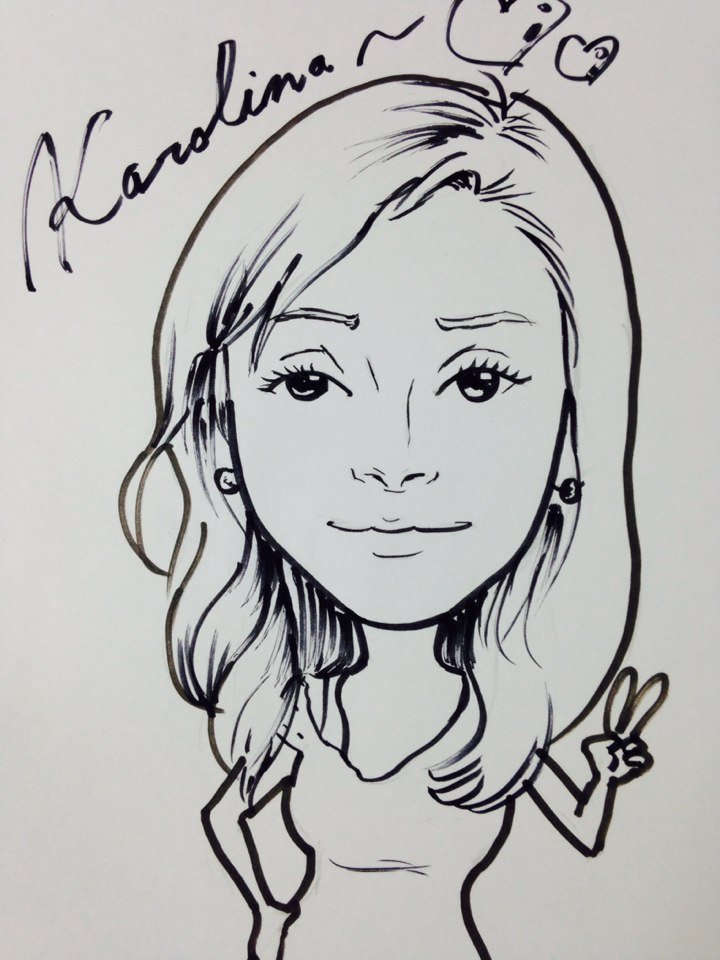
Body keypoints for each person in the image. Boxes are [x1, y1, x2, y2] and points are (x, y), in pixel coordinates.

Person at [120, 75, 668, 960]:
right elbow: (225, 816)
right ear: (222, 430)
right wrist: (270, 918)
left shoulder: (497, 717)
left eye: (478, 380)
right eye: (309, 380)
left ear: (575, 431)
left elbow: (581, 828)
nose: (397, 459)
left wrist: (603, 770)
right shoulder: (304, 712)